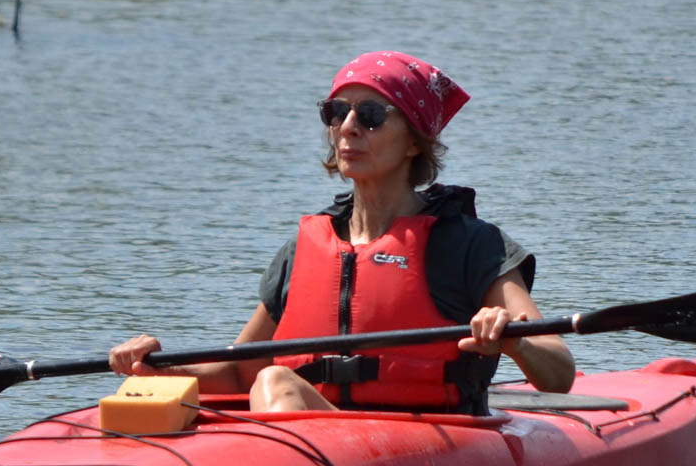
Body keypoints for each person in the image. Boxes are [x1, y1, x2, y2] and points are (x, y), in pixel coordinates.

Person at [109, 51, 575, 414]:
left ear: (415, 140)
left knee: (275, 383)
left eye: (371, 115)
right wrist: (158, 367)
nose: (347, 127)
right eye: (336, 112)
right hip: (323, 442)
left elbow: (559, 373)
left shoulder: (470, 245)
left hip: (428, 447)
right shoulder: (306, 247)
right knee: (266, 379)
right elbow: (237, 372)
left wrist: (514, 339)